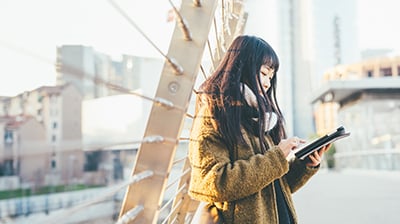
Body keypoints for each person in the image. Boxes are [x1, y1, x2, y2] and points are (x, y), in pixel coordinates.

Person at [188, 35, 331, 224]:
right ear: (242, 68)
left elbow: (271, 188)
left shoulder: (261, 118)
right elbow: (211, 182)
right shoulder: (214, 114)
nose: (267, 83)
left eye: (271, 77)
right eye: (264, 73)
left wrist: (305, 166)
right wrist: (277, 156)